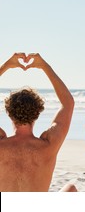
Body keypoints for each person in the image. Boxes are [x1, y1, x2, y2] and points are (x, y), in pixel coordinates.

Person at [0, 53, 75, 192]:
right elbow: (68, 103)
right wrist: (45, 67)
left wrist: (7, 66)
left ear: (9, 114)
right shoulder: (48, 145)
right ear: (37, 114)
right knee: (70, 189)